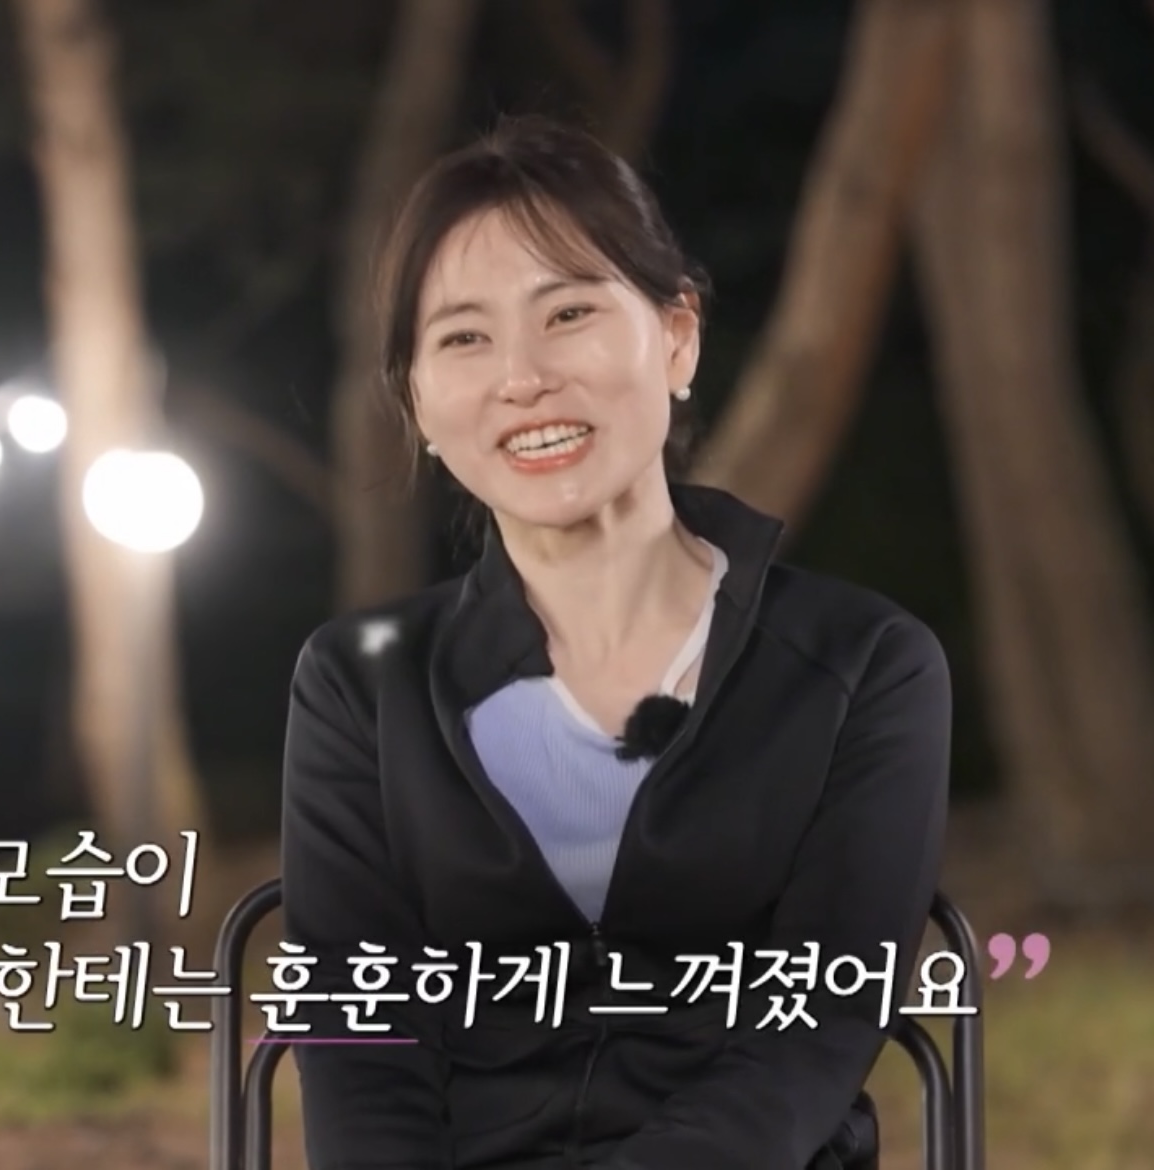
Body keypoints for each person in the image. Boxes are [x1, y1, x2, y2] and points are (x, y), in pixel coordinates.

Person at [279, 116, 950, 1170]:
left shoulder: (862, 662)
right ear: (416, 400)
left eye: (568, 313)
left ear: (676, 338)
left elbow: (815, 1029)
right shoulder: (360, 682)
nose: (521, 377)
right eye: (462, 338)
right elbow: (358, 1040)